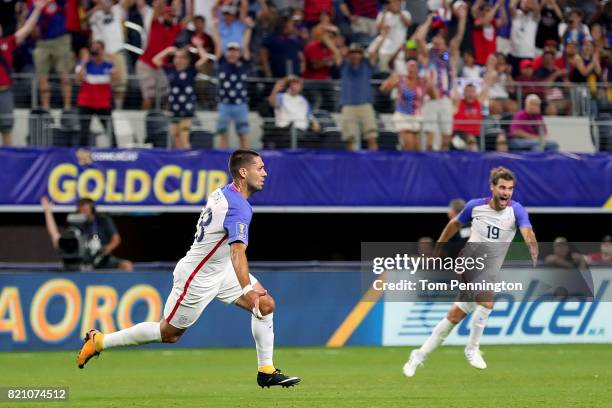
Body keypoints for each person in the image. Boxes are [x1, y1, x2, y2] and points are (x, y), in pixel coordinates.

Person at [76, 150, 301, 389]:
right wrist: (247, 288)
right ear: (243, 172)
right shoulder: (238, 207)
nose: (265, 173)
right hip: (198, 276)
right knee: (168, 334)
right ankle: (99, 341)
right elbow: (237, 252)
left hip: (220, 269)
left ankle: (266, 370)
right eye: (260, 168)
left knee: (265, 305)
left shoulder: (223, 192)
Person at [403, 166, 538, 377]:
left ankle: (418, 355)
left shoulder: (517, 210)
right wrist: (440, 243)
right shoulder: (475, 206)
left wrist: (532, 246)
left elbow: (527, 230)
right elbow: (454, 224)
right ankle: (472, 348)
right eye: (502, 187)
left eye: (510, 189)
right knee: (486, 301)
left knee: (454, 317)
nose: (506, 192)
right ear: (492, 187)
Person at [415, 4, 467, 150]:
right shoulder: (429, 56)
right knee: (430, 138)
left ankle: (442, 165)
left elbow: (457, 40)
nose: (437, 41)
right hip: (431, 99)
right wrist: (429, 20)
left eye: (440, 39)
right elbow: (419, 39)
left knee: (445, 138)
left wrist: (462, 19)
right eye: (436, 38)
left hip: (446, 100)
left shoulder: (446, 56)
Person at [0, 0, 49, 146]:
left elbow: (27, 29)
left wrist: (37, 10)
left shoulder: (8, 43)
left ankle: (7, 160)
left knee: (7, 128)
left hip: (5, 92)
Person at [41, 196, 133, 271]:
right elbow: (55, 235)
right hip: (81, 261)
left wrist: (106, 249)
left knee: (126, 265)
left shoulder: (103, 220)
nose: (83, 212)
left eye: (86, 209)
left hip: (100, 258)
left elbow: (116, 239)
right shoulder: (75, 224)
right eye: (81, 209)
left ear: (92, 208)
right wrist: (48, 212)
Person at [136, 1, 193, 110]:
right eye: (167, 15)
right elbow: (158, 7)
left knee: (167, 97)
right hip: (146, 64)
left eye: (172, 16)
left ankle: (166, 122)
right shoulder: (155, 24)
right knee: (149, 98)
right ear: (163, 15)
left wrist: (191, 2)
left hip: (160, 66)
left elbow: (190, 17)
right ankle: (144, 121)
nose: (170, 17)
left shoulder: (175, 29)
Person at [153, 39, 208, 149]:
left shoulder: (191, 70)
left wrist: (198, 46)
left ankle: (189, 163)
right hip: (174, 109)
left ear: (187, 60)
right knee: (175, 136)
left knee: (184, 138)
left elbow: (205, 58)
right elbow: (155, 60)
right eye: (176, 57)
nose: (178, 60)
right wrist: (167, 50)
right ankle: (180, 162)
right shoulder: (171, 70)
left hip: (186, 110)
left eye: (182, 57)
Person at [330, 40, 384, 151]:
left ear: (361, 54)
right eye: (353, 53)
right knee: (349, 139)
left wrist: (384, 36)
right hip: (348, 106)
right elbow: (335, 52)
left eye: (358, 53)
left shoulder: (367, 64)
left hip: (365, 105)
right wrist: (326, 38)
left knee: (372, 137)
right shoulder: (344, 65)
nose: (355, 55)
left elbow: (374, 52)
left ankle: (373, 165)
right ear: (349, 55)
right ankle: (352, 166)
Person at [211, 15, 253, 149]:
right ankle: (223, 161)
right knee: (223, 134)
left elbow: (245, 44)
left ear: (239, 53)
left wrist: (249, 28)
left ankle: (246, 161)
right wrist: (214, 28)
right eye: (230, 51)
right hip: (224, 104)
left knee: (243, 134)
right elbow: (218, 43)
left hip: (241, 104)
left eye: (235, 51)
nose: (232, 53)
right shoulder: (221, 61)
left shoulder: (244, 63)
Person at [32, 0, 74, 111]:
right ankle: (46, 108)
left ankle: (67, 108)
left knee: (64, 76)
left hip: (60, 39)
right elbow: (32, 23)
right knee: (42, 77)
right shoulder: (35, 3)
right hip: (42, 42)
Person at [75, 40, 118, 147]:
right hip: (86, 103)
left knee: (110, 131)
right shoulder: (84, 64)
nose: (95, 51)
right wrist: (84, 61)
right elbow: (78, 79)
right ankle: (80, 155)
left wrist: (114, 61)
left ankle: (115, 153)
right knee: (84, 132)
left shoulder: (108, 65)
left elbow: (118, 78)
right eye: (93, 48)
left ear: (103, 50)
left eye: (97, 49)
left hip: (103, 104)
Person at [380, 59, 431, 150]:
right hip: (403, 116)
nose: (411, 70)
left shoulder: (423, 82)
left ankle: (415, 164)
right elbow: (383, 89)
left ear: (417, 69)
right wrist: (391, 80)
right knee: (409, 144)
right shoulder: (400, 79)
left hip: (417, 116)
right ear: (406, 69)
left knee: (417, 146)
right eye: (409, 67)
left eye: (413, 67)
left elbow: (435, 96)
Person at [88, 0, 130, 110]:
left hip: (118, 50)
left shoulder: (118, 9)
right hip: (104, 53)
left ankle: (118, 108)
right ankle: (103, 107)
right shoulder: (95, 15)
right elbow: (86, 24)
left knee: (121, 82)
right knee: (104, 82)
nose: (106, 2)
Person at [268, 75, 320, 141]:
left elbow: (309, 115)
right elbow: (272, 103)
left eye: (298, 84)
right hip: (285, 130)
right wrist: (276, 89)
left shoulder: (303, 100)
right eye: (294, 84)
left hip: (303, 130)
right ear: (289, 85)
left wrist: (315, 123)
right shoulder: (281, 96)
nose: (296, 86)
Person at [375, 0, 412, 73]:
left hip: (400, 51)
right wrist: (385, 12)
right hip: (385, 50)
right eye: (390, 2)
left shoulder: (405, 13)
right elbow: (378, 29)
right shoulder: (382, 14)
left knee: (400, 75)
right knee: (385, 74)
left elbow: (408, 23)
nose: (393, 4)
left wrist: (399, 12)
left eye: (395, 2)